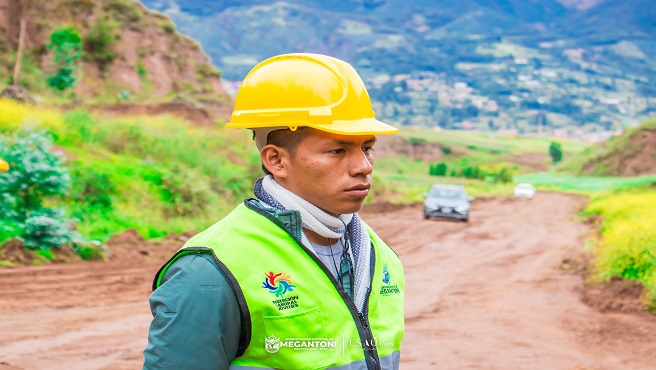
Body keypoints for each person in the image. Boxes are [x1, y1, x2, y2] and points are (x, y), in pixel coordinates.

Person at [143, 53, 405, 370]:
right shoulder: (211, 270)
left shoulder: (380, 256)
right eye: (337, 150)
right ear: (276, 160)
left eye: (367, 148)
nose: (363, 166)